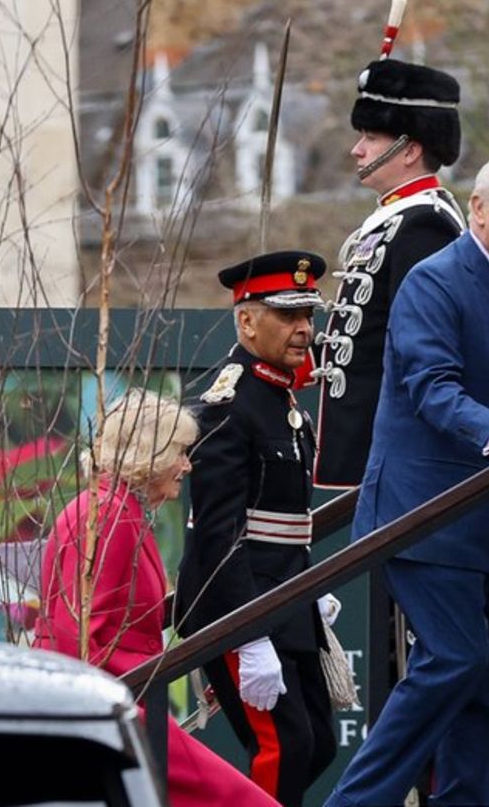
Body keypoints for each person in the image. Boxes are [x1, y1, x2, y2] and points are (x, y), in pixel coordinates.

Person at [323, 151, 489, 807]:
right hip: (426, 517)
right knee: (454, 659)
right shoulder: (435, 281)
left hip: (485, 526)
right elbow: (431, 387)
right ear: (477, 210)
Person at [33, 390, 279, 807]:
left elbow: (119, 619)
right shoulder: (108, 516)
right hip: (114, 708)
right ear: (149, 453)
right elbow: (78, 633)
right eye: (180, 452)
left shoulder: (116, 509)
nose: (187, 464)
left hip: (125, 702)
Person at [173, 251, 337, 807]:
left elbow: (284, 520)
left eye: (307, 315)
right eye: (288, 315)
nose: (304, 329)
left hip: (286, 599)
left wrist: (312, 591)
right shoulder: (227, 404)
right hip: (238, 608)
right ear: (246, 321)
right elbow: (218, 534)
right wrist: (247, 632)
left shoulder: (280, 396)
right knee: (285, 748)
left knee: (318, 745)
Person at [312, 58, 466, 489]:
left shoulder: (426, 224)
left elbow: (417, 350)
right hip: (362, 451)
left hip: (391, 454)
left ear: (410, 149)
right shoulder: (393, 219)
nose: (356, 149)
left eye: (371, 137)